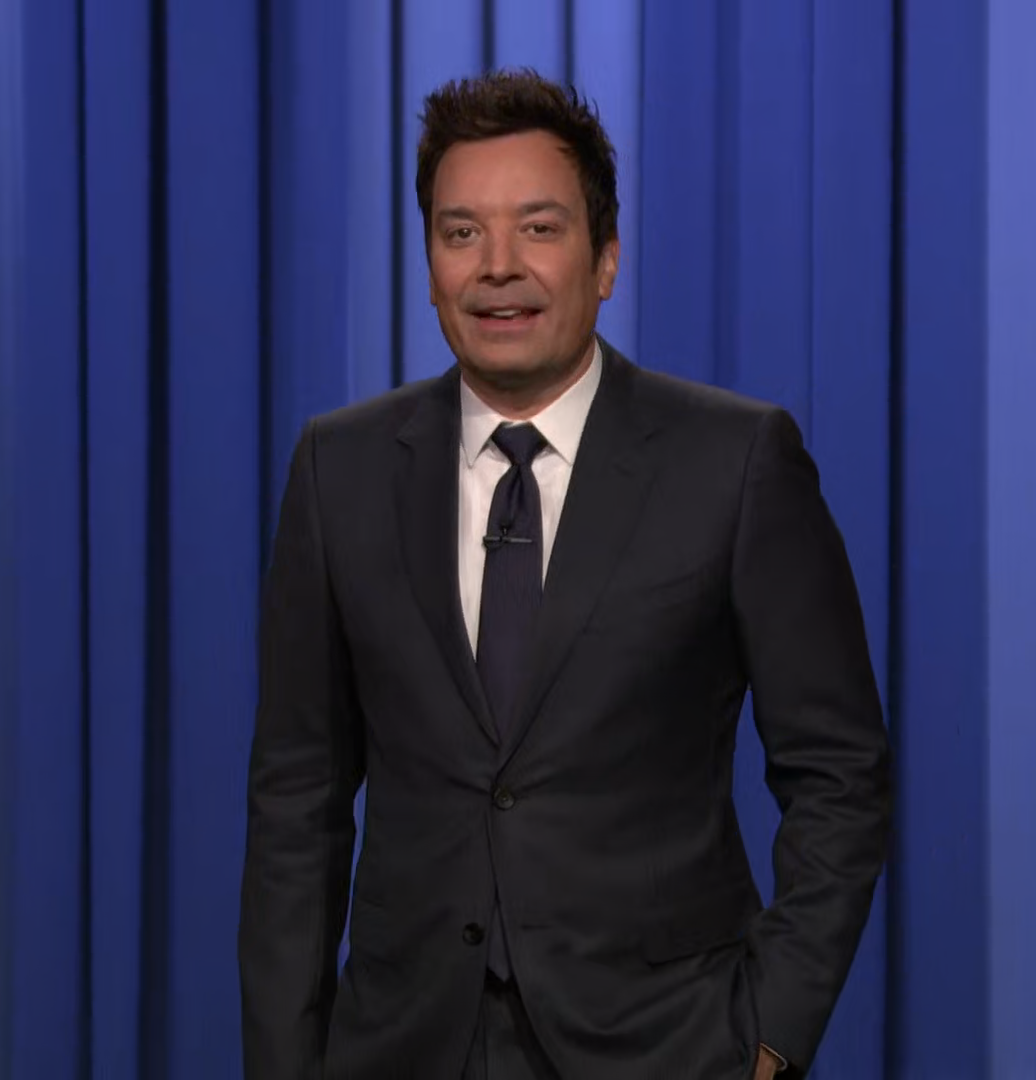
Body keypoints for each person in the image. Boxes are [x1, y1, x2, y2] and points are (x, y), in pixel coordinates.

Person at [239, 68, 892, 1079]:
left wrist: (768, 1040)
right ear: (430, 266)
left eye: (538, 228)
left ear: (606, 258)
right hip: (402, 1047)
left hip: (670, 1049)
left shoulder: (735, 462)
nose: (498, 266)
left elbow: (841, 776)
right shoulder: (340, 470)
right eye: (462, 232)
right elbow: (297, 802)